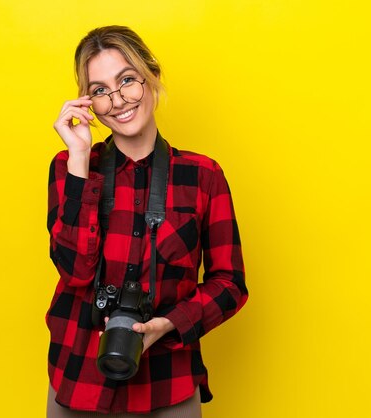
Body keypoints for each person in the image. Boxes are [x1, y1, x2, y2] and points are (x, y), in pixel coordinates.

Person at [46, 25, 248, 417]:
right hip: (78, 378)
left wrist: (169, 324)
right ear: (89, 103)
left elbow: (231, 284)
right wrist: (79, 159)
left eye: (127, 80)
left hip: (167, 385)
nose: (118, 100)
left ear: (152, 77)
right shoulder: (69, 167)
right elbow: (73, 271)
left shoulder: (203, 176)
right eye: (100, 90)